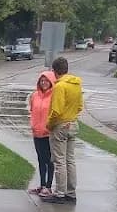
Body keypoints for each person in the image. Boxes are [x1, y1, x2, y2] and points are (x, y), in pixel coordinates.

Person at [46, 55, 84, 203]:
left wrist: (49, 124)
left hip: (60, 125)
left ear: (55, 71)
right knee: (70, 160)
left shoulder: (60, 86)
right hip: (73, 123)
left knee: (59, 160)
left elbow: (56, 110)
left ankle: (60, 192)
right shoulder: (76, 84)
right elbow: (80, 106)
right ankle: (71, 191)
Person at [27, 68, 55, 197]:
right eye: (42, 80)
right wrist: (32, 125)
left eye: (46, 80)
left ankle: (48, 186)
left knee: (49, 160)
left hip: (48, 133)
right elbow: (32, 111)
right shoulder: (34, 95)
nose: (44, 83)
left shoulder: (54, 96)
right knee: (40, 159)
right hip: (37, 132)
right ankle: (42, 184)